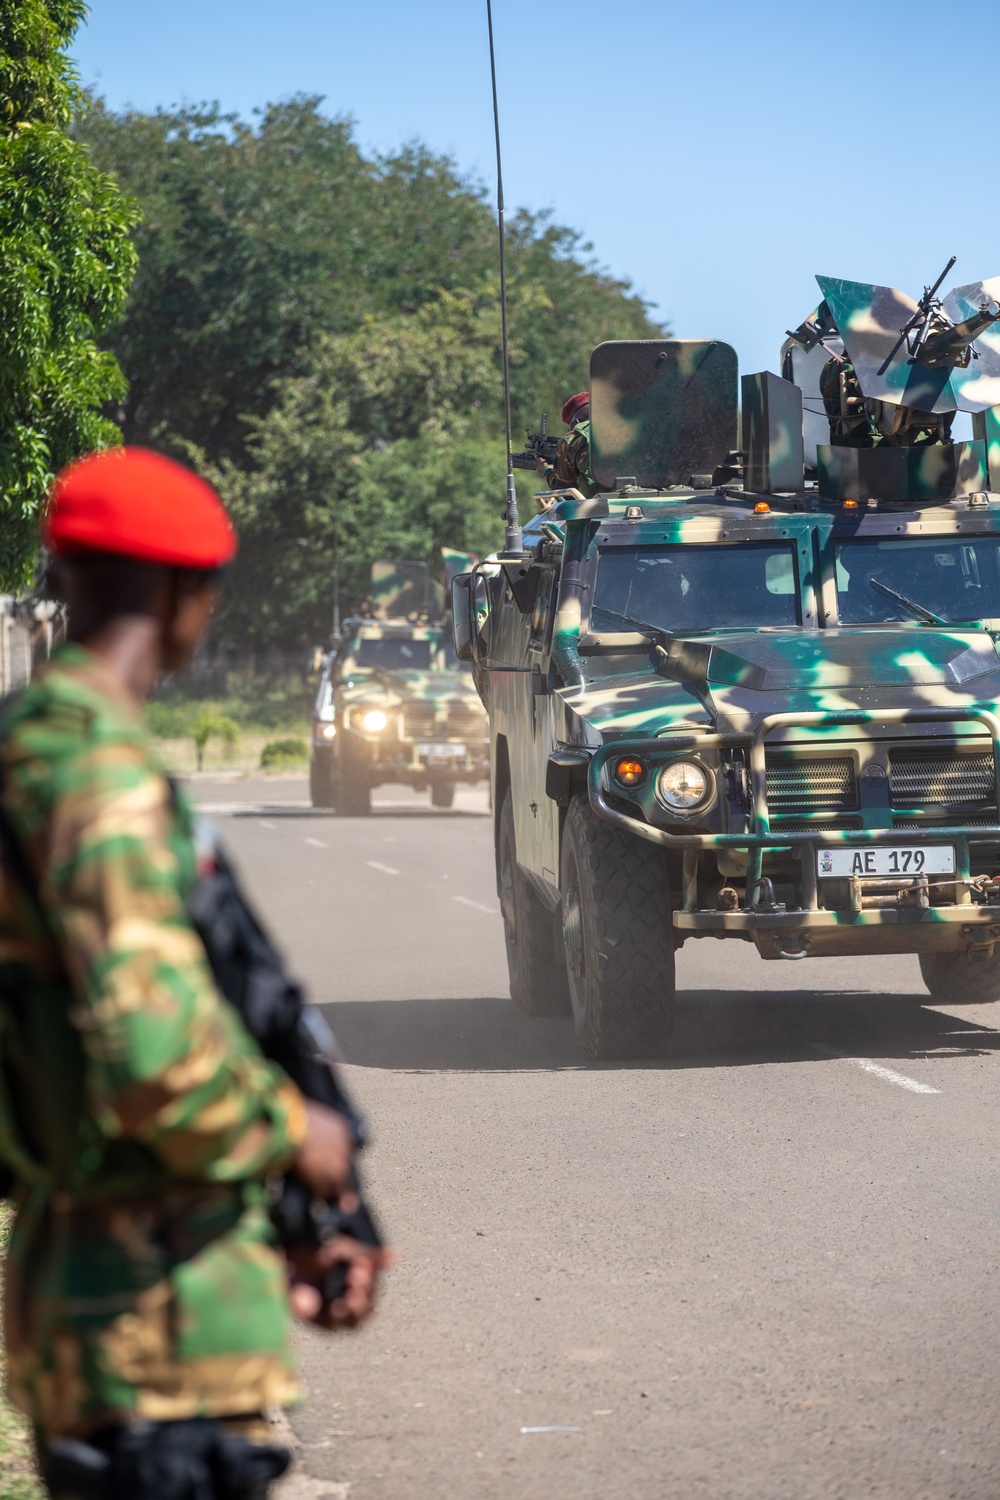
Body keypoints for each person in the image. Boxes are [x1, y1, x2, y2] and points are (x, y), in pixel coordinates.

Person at [0, 447, 388, 1498]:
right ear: (185, 592)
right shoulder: (98, 776)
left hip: (89, 1304)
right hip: (151, 1334)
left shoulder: (33, 746)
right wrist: (295, 1135)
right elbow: (153, 1055)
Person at [537, 390, 599, 498]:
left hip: (604, 507)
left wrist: (546, 471)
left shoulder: (571, 440)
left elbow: (565, 492)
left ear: (577, 422)